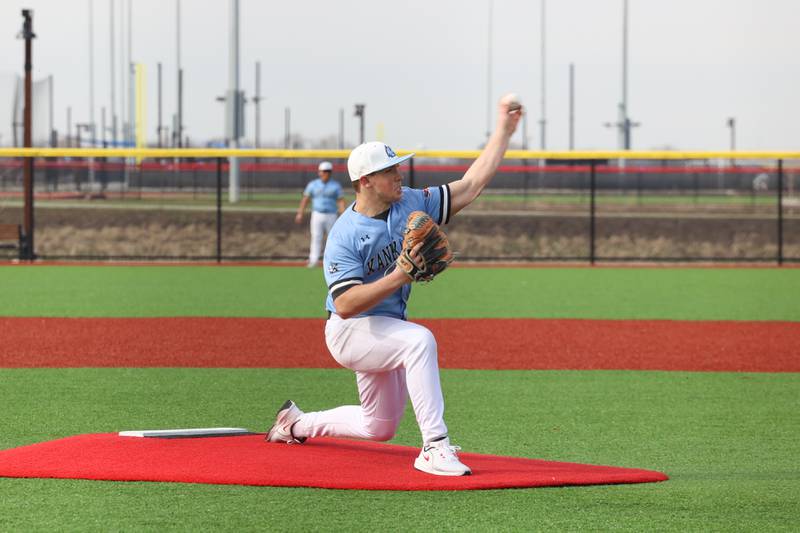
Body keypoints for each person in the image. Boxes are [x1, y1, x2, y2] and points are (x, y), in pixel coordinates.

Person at [267, 94, 523, 476]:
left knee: (379, 425)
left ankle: (294, 424)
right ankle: (434, 447)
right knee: (419, 341)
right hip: (349, 332)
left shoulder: (410, 203)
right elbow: (347, 304)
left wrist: (503, 130)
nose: (399, 173)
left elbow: (470, 186)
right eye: (389, 170)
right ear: (366, 181)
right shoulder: (344, 235)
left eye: (397, 166)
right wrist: (401, 274)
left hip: (384, 328)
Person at [295, 161, 346, 267]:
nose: (324, 173)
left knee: (333, 238)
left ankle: (334, 261)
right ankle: (313, 260)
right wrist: (300, 213)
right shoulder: (313, 184)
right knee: (316, 237)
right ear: (319, 172)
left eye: (327, 171)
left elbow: (340, 200)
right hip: (317, 214)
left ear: (330, 173)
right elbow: (306, 199)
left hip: (331, 215)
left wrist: (344, 215)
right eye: (323, 171)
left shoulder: (335, 186)